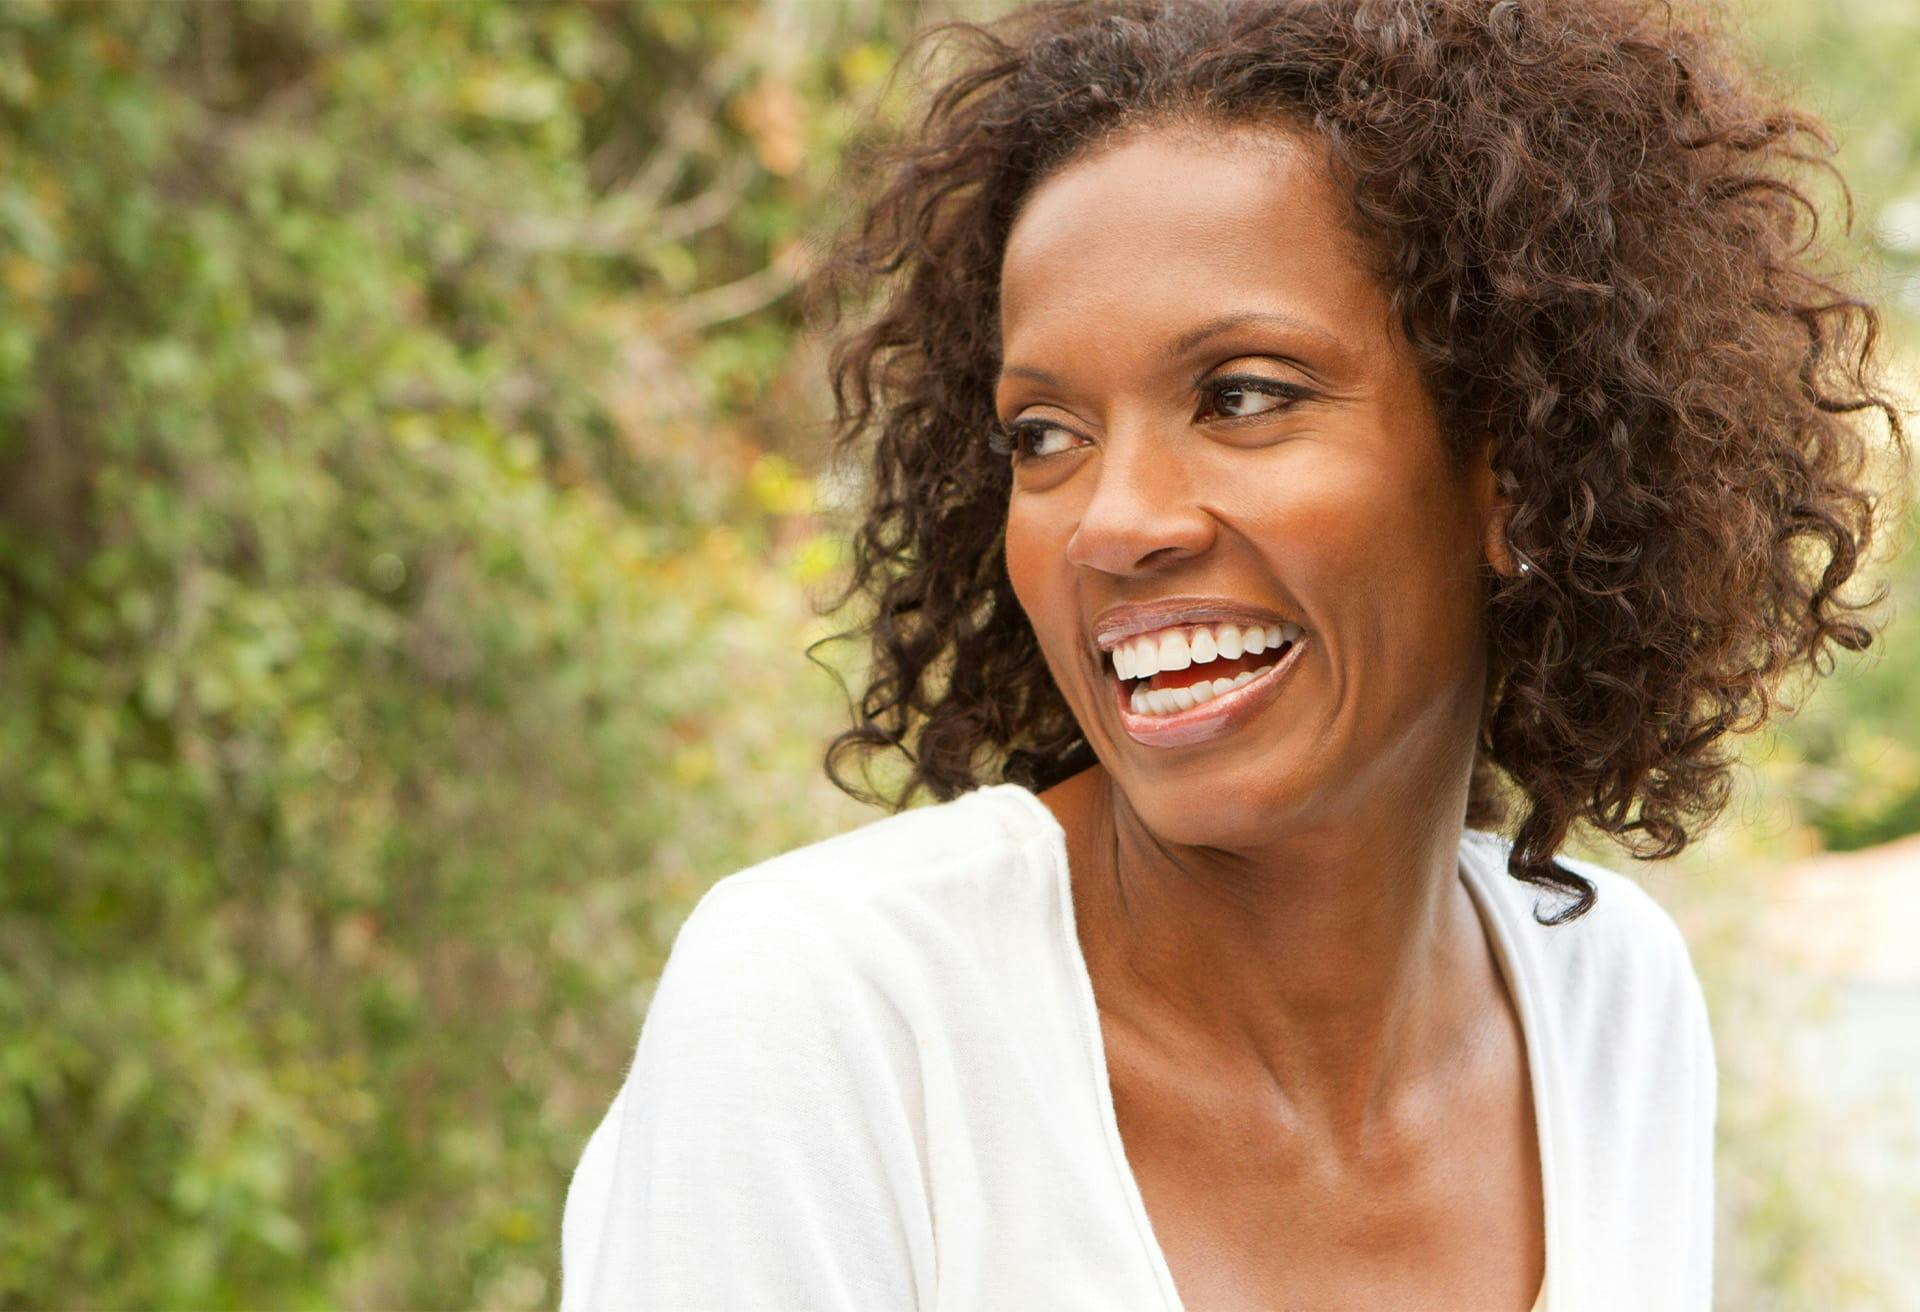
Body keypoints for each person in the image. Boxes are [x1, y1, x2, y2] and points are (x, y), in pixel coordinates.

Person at [562, 1, 1906, 1308]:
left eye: (1244, 397)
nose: (1112, 524)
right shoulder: (838, 1010)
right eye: (1043, 434)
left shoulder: (1613, 1000)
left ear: (1515, 470)